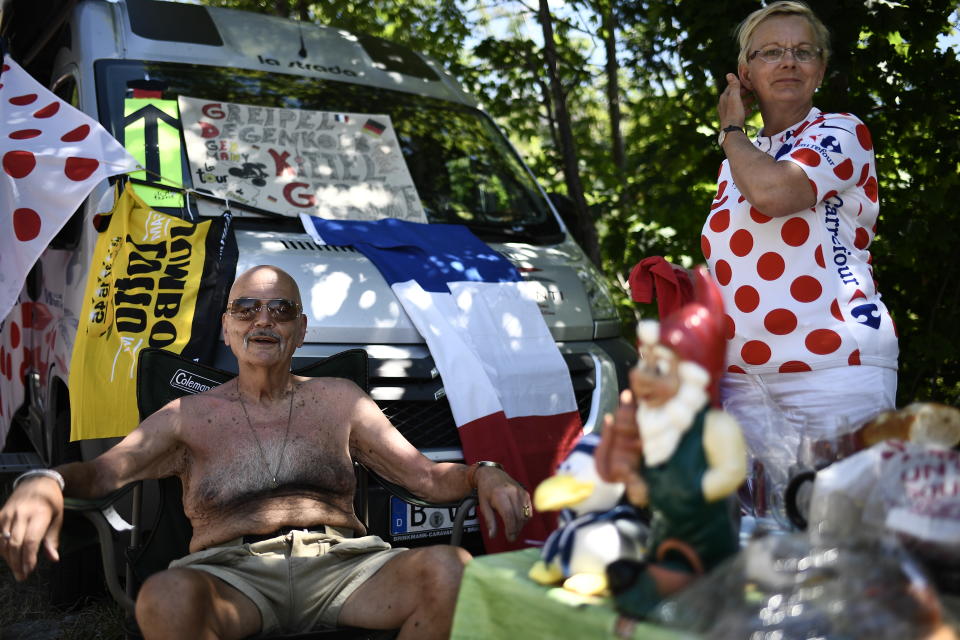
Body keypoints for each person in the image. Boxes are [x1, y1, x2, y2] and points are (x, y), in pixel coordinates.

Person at [0, 264, 532, 640]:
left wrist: (485, 473)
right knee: (163, 597)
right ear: (227, 327)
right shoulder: (188, 414)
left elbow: (427, 478)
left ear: (301, 330)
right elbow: (101, 473)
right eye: (247, 308)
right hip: (232, 572)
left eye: (280, 309)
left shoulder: (342, 400)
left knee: (452, 570)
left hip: (345, 567)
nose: (263, 320)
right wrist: (45, 481)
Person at [702, 1, 899, 507]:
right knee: (761, 560)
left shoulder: (840, 131)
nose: (788, 61)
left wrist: (730, 130)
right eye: (771, 52)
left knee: (847, 552)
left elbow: (776, 193)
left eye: (802, 51)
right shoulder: (736, 162)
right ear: (745, 73)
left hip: (834, 368)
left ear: (821, 68)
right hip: (744, 384)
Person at [594, 267, 747, 618]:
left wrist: (698, 488)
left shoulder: (714, 427)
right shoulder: (658, 430)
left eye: (657, 369)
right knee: (641, 581)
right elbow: (641, 487)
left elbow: (731, 471)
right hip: (665, 536)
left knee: (696, 586)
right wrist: (636, 482)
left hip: (707, 541)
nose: (641, 376)